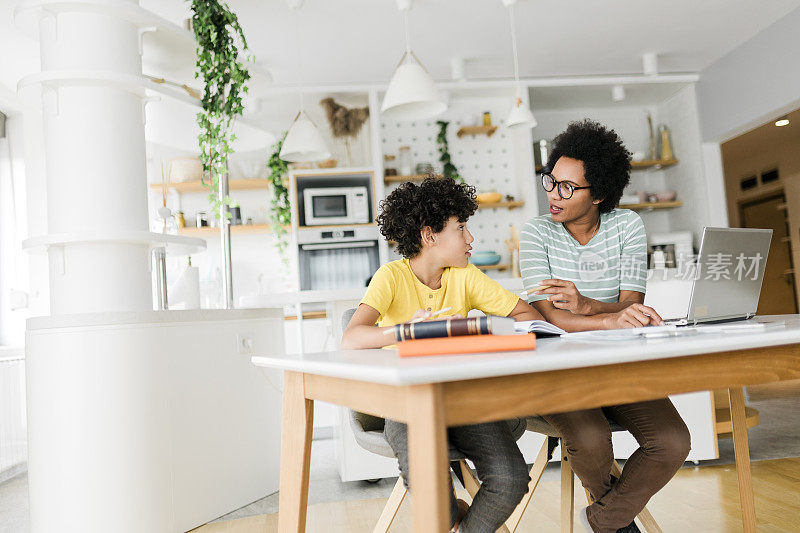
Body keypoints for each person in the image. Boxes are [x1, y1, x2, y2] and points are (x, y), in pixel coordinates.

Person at [342, 176, 542, 532]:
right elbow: (352, 338)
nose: (471, 239)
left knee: (511, 478)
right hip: (407, 402)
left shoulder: (466, 277)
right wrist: (405, 332)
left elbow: (530, 318)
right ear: (429, 235)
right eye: (461, 228)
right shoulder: (390, 277)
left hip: (461, 397)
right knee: (428, 482)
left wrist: (490, 338)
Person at [519, 120, 691, 533]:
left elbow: (633, 307)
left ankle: (603, 519)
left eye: (567, 187)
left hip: (618, 365)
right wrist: (608, 317)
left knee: (672, 441)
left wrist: (590, 305)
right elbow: (552, 319)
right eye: (551, 181)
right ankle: (616, 523)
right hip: (557, 370)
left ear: (597, 194)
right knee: (592, 441)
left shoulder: (627, 226)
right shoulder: (536, 233)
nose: (552, 195)